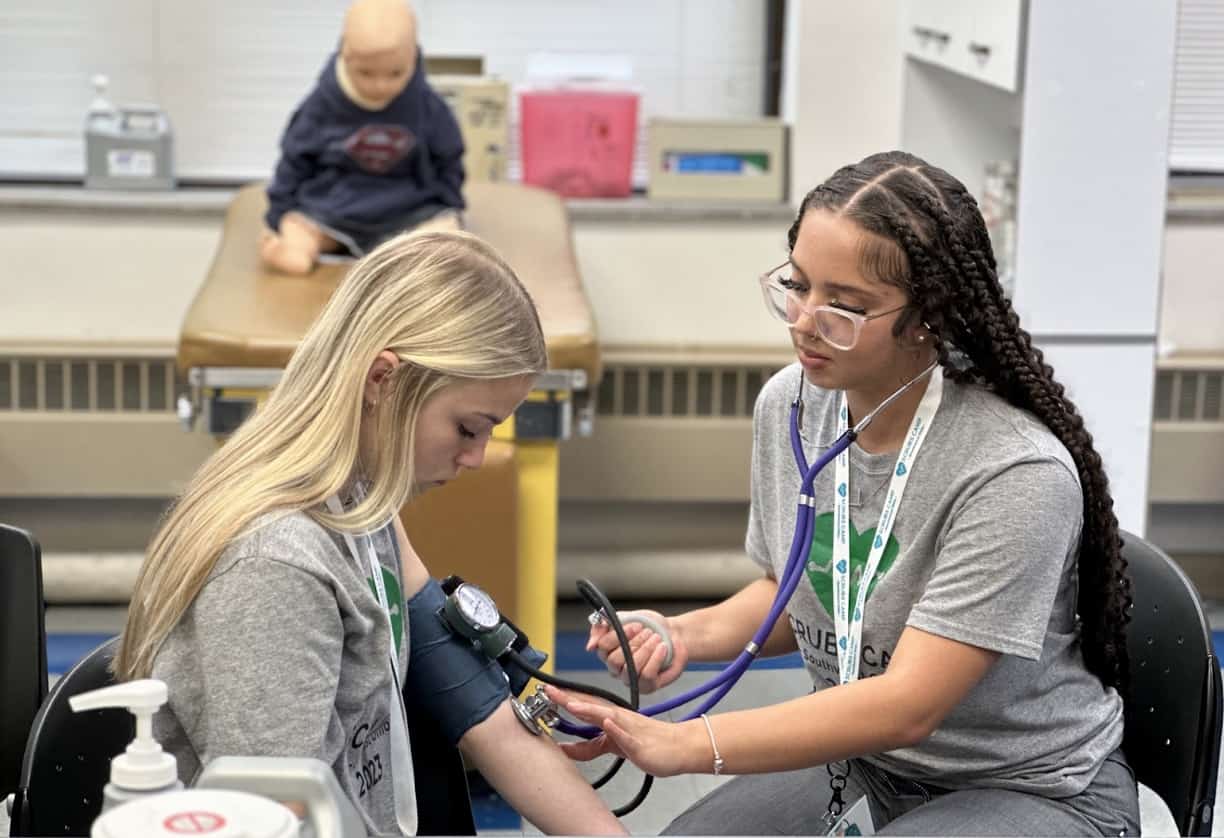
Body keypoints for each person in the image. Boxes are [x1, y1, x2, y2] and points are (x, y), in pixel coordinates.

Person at [547, 151, 1139, 837]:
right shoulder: (793, 405)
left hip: (1029, 787)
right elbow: (801, 592)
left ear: (927, 316)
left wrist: (685, 744)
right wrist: (683, 634)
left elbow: (908, 706)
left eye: (845, 307)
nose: (804, 321)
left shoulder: (1015, 470)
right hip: (867, 764)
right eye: (797, 286)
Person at [114, 231, 626, 837]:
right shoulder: (275, 564)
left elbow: (472, 697)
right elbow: (284, 825)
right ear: (383, 379)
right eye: (468, 428)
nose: (475, 457)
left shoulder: (357, 497)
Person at [259, 0, 464, 275]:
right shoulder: (322, 105)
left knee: (444, 232)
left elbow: (449, 155)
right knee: (298, 224)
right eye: (366, 73)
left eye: (396, 73)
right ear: (345, 55)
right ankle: (296, 252)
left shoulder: (426, 105)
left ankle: (417, 259)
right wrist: (279, 214)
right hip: (334, 207)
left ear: (414, 57)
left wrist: (448, 201)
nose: (380, 85)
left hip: (407, 208)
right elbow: (294, 158)